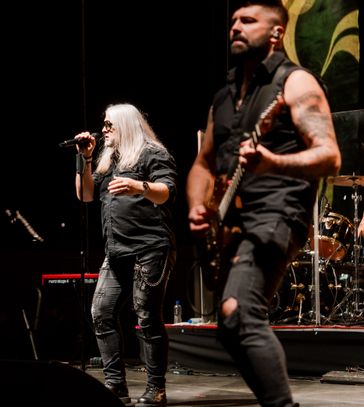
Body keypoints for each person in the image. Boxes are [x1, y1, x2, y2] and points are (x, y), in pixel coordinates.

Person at [186, 1, 341, 407]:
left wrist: (273, 163)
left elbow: (329, 156)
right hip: (231, 221)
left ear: (276, 33)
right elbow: (202, 163)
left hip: (278, 210)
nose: (235, 27)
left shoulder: (295, 82)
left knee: (240, 312)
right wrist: (197, 205)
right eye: (233, 20)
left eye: (248, 20)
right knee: (228, 326)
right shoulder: (224, 97)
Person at [74, 103, 178, 407]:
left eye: (110, 125)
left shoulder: (152, 153)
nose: (104, 130)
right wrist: (85, 159)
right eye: (104, 124)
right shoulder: (109, 159)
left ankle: (156, 388)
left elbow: (167, 191)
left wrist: (139, 186)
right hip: (117, 250)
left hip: (150, 248)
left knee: (147, 316)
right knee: (101, 312)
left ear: (127, 124)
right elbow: (85, 195)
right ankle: (115, 385)